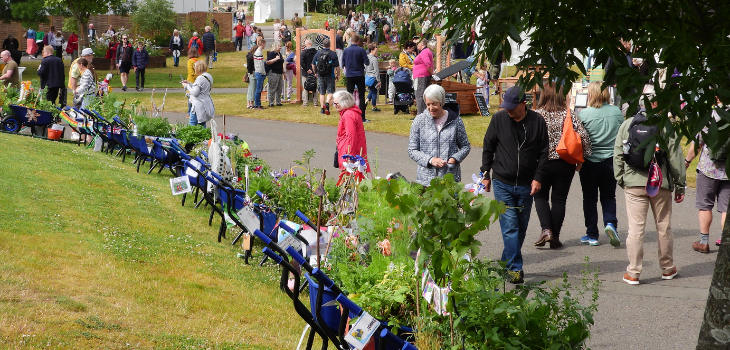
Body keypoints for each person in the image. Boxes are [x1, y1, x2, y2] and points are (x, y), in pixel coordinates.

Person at [615, 88, 686, 285]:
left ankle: (634, 272)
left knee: (636, 228)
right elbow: (675, 157)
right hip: (659, 182)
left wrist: (621, 178)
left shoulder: (628, 123)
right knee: (663, 227)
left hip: (633, 183)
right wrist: (680, 185)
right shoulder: (666, 126)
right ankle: (667, 268)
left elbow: (618, 153)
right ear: (656, 103)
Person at [480, 86, 549, 284]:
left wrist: (539, 177)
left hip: (527, 184)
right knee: (510, 227)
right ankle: (515, 270)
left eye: (512, 107)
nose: (508, 110)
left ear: (523, 104)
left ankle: (506, 263)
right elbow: (488, 147)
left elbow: (544, 153)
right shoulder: (499, 119)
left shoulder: (537, 121)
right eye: (505, 106)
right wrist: (485, 173)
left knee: (521, 227)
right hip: (502, 181)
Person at [531, 82, 592, 248]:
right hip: (565, 162)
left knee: (540, 196)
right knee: (559, 200)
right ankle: (555, 238)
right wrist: (582, 159)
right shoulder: (569, 114)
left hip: (541, 164)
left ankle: (546, 229)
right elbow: (584, 138)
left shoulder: (536, 115)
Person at [578, 81, 624, 247]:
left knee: (589, 199)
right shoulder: (616, 111)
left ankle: (592, 234)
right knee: (608, 196)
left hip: (589, 161)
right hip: (610, 160)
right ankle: (610, 223)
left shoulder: (584, 114)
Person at [684, 101, 729, 253]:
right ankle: (724, 241)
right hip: (728, 171)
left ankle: (704, 242)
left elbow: (697, 143)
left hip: (708, 169)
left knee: (705, 206)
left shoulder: (710, 116)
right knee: (726, 209)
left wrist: (687, 161)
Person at [408, 84, 471, 186]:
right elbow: (412, 150)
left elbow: (465, 146)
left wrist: (454, 158)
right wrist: (430, 160)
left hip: (449, 178)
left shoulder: (455, 120)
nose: (431, 108)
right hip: (425, 180)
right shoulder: (419, 121)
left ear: (441, 102)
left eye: (434, 104)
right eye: (428, 104)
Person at [334, 91, 370, 171]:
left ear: (344, 103)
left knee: (349, 177)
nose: (334, 106)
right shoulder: (351, 112)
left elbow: (351, 136)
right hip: (351, 149)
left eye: (336, 103)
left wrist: (349, 156)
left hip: (348, 151)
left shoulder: (348, 115)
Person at [341, 33, 370, 122]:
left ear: (351, 40)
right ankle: (362, 117)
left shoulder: (346, 50)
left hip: (350, 75)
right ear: (358, 41)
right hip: (359, 74)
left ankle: (347, 116)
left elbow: (343, 64)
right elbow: (367, 62)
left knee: (349, 96)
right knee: (361, 96)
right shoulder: (361, 50)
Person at [182, 60, 215, 127]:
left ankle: (191, 137)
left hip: (198, 105)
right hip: (205, 102)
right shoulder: (208, 76)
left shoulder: (200, 78)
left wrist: (186, 86)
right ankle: (204, 137)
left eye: (195, 68)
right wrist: (190, 83)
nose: (194, 69)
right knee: (202, 124)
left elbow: (195, 93)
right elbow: (201, 88)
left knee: (192, 124)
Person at [313, 38, 340, 115]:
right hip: (330, 75)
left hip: (320, 75)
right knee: (330, 91)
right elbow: (337, 66)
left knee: (321, 92)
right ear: (330, 45)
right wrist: (338, 74)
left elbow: (313, 63)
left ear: (323, 45)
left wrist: (315, 72)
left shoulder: (318, 53)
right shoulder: (333, 53)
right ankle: (327, 103)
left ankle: (322, 109)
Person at [413, 39, 435, 115]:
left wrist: (432, 73)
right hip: (421, 76)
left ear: (422, 44)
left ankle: (420, 114)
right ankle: (423, 113)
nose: (417, 45)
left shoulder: (424, 52)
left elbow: (428, 64)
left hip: (422, 76)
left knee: (420, 95)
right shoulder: (424, 51)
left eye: (418, 43)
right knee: (420, 94)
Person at [300, 39, 319, 107]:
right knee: (315, 87)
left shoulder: (304, 52)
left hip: (306, 73)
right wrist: (315, 70)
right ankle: (315, 103)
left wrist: (307, 69)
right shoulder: (317, 52)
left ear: (306, 45)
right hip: (314, 72)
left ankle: (305, 103)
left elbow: (302, 62)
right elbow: (318, 62)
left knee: (305, 87)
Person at [266, 42, 284, 107]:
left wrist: (283, 71)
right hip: (273, 72)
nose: (280, 47)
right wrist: (275, 59)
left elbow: (281, 63)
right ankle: (271, 102)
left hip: (279, 72)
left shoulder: (279, 54)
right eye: (279, 46)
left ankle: (278, 101)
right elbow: (268, 62)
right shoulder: (272, 53)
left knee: (279, 88)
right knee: (272, 87)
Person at [364, 43, 381, 112]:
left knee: (372, 90)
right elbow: (376, 70)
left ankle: (366, 100)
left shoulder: (366, 57)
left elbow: (365, 68)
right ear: (371, 50)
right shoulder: (374, 59)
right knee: (374, 92)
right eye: (375, 51)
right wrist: (379, 80)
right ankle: (374, 107)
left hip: (368, 76)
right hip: (373, 77)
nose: (376, 52)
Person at [253, 39, 267, 110]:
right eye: (264, 44)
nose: (265, 45)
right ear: (262, 44)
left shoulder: (258, 52)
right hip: (259, 72)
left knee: (260, 89)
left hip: (259, 72)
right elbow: (260, 65)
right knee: (258, 90)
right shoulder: (259, 53)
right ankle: (257, 104)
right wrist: (263, 72)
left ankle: (258, 104)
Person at [245, 44, 258, 109]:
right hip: (252, 73)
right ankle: (250, 103)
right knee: (252, 89)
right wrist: (250, 72)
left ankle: (249, 103)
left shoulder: (250, 56)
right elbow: (249, 66)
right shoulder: (251, 57)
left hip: (252, 73)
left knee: (251, 89)